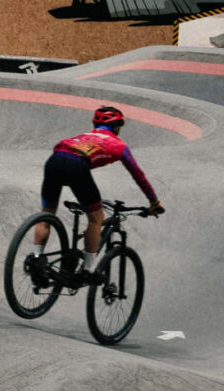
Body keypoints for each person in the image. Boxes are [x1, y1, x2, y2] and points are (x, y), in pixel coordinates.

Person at [31, 105, 164, 283]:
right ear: (117, 127)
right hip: (77, 167)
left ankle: (37, 258)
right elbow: (138, 176)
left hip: (53, 162)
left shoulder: (80, 137)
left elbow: (58, 149)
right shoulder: (119, 146)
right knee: (96, 218)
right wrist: (154, 202)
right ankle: (87, 270)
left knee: (47, 215)